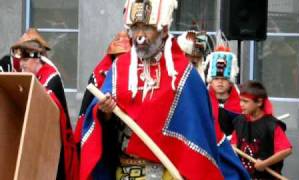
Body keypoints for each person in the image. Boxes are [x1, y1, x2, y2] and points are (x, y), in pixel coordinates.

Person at [80, 0, 249, 179]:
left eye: (147, 28)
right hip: (124, 170)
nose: (140, 36)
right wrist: (104, 112)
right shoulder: (119, 67)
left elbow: (200, 133)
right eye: (136, 27)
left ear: (164, 30)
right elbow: (103, 124)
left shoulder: (183, 73)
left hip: (168, 172)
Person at [10, 28, 79, 180]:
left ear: (36, 59)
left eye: (25, 60)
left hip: (54, 152)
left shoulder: (50, 78)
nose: (21, 65)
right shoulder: (36, 76)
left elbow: (45, 113)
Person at [74, 30, 131, 150]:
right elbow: (90, 114)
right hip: (111, 141)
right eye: (118, 57)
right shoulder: (100, 78)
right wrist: (106, 113)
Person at [231, 81, 292, 179]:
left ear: (259, 102)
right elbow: (234, 145)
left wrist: (264, 163)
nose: (241, 104)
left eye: (245, 101)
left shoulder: (271, 125)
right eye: (240, 100)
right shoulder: (239, 121)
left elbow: (286, 150)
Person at [205, 36, 241, 136]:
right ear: (210, 81)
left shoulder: (242, 102)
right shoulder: (203, 100)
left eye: (224, 79)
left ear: (230, 82)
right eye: (216, 78)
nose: (220, 82)